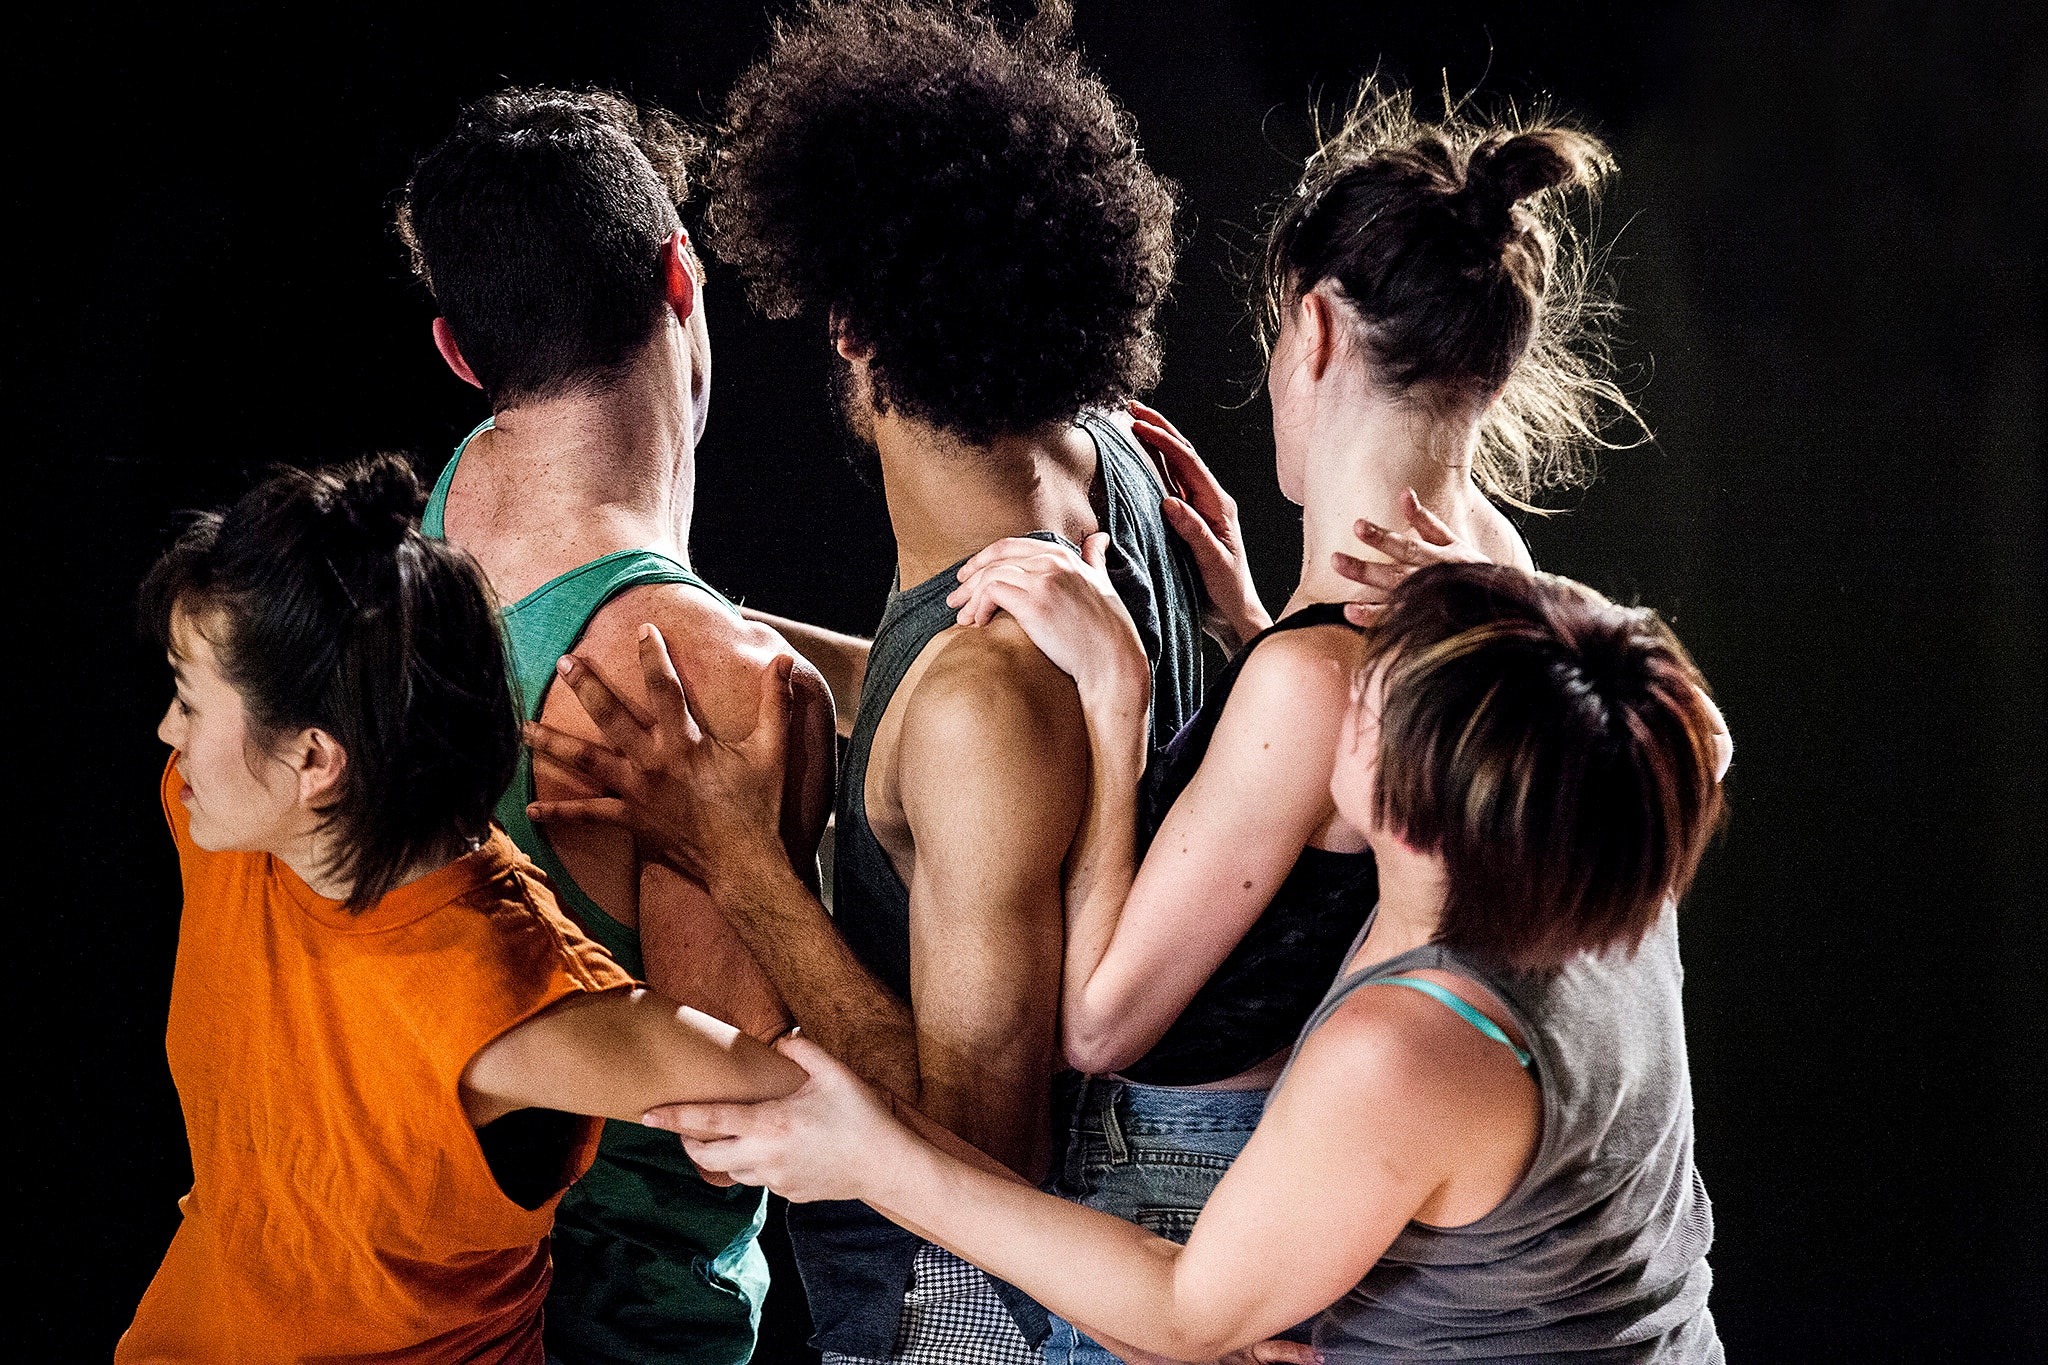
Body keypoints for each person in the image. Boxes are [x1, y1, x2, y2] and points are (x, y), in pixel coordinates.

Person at [529, 4, 1201, 1360]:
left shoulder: (981, 703)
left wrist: (731, 851)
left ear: (846, 327)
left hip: (974, 1310)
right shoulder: (1105, 458)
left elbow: (978, 1149)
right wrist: (714, 636)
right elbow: (930, 703)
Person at [937, 90, 1639, 1363]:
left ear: (1311, 329)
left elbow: (1095, 1025)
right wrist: (1255, 622)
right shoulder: (1503, 574)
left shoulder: (1313, 679)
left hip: (1189, 1196)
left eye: (1272, 335)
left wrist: (1117, 694)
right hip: (1349, 1191)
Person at [651, 561, 1733, 1364]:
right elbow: (1703, 732)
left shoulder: (1404, 1047)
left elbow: (1180, 1314)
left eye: (1376, 690)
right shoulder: (1604, 837)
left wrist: (870, 1157)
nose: (1344, 676)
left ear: (1409, 810)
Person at [115, 457, 808, 1364]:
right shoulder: (222, 820)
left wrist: (744, 863)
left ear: (316, 760)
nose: (169, 732)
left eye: (188, 702)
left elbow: (803, 1104)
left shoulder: (510, 1006)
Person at [394, 87, 839, 1365]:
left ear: (461, 353)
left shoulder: (442, 514)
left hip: (424, 1280)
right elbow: (721, 1132)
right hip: (627, 1330)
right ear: (679, 276)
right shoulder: (720, 683)